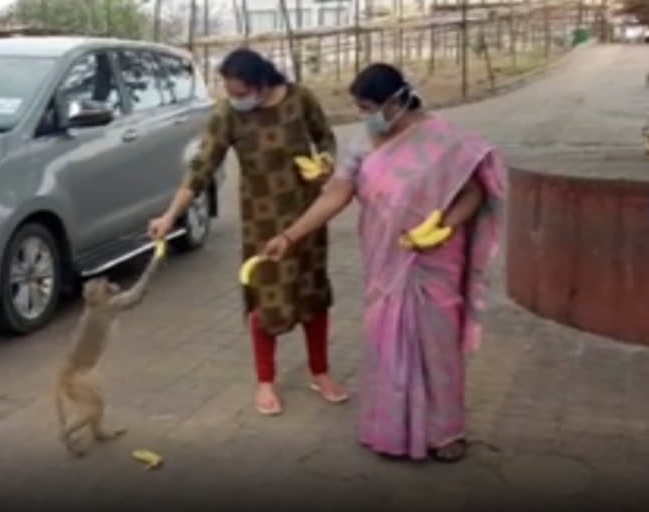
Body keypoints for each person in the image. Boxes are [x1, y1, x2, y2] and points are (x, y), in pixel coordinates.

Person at [261, 63, 506, 462]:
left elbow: (475, 193)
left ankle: (445, 433)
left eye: (368, 106)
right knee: (385, 340)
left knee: (437, 346)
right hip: (385, 259)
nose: (365, 116)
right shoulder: (363, 143)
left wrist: (441, 227)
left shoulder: (444, 139)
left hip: (434, 260)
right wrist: (289, 236)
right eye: (359, 108)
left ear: (396, 101)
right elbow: (335, 194)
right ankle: (390, 429)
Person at [148, 48, 348, 416]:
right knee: (265, 298)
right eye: (230, 92)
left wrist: (325, 164)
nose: (234, 100)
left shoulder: (300, 98)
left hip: (308, 216)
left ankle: (320, 372)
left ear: (261, 83)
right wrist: (169, 216)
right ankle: (266, 381)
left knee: (313, 292)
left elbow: (325, 138)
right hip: (262, 221)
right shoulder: (227, 115)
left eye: (240, 93)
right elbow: (200, 168)